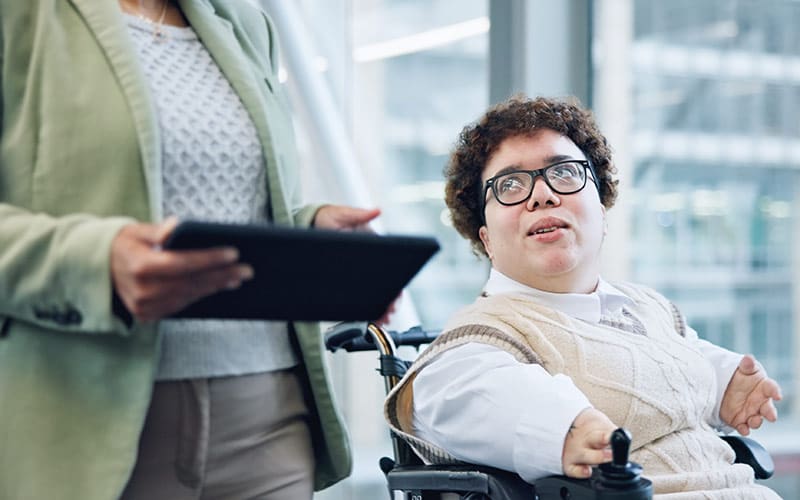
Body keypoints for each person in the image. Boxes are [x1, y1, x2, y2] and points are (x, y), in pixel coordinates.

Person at [0, 1, 383, 499]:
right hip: (87, 423)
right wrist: (95, 261)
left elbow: (244, 206)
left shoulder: (243, 23)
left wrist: (308, 231)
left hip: (267, 419)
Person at [384, 95, 783, 498]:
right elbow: (449, 392)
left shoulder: (649, 309)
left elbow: (681, 363)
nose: (541, 196)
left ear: (602, 210)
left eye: (564, 172)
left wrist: (726, 382)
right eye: (509, 184)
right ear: (486, 238)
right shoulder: (484, 336)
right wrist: (563, 428)